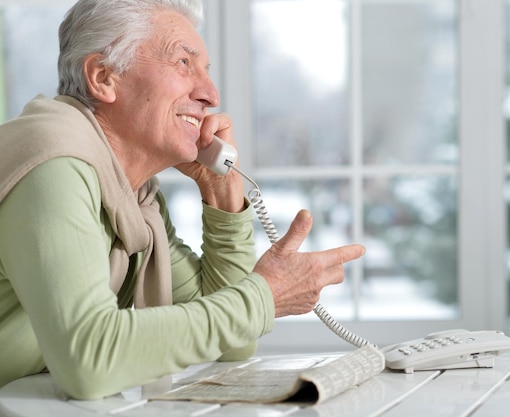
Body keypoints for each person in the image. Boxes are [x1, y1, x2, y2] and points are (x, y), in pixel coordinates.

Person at [0, 0, 365, 400]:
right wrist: (264, 296)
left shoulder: (136, 202)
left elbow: (233, 343)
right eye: (183, 63)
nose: (210, 94)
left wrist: (223, 200)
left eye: (206, 71)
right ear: (103, 77)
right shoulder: (53, 161)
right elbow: (90, 360)